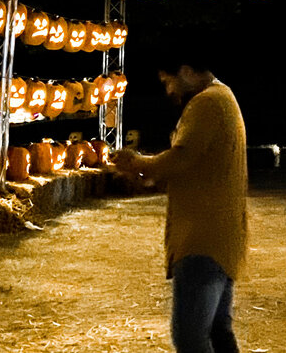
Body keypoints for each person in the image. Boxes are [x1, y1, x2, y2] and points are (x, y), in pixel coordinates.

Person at [113, 49, 248, 353]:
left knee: (190, 336)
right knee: (217, 330)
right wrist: (151, 175)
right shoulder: (223, 97)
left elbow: (182, 156)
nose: (168, 91)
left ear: (186, 71)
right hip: (220, 234)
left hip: (202, 238)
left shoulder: (208, 102)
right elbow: (195, 163)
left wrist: (138, 162)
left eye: (167, 82)